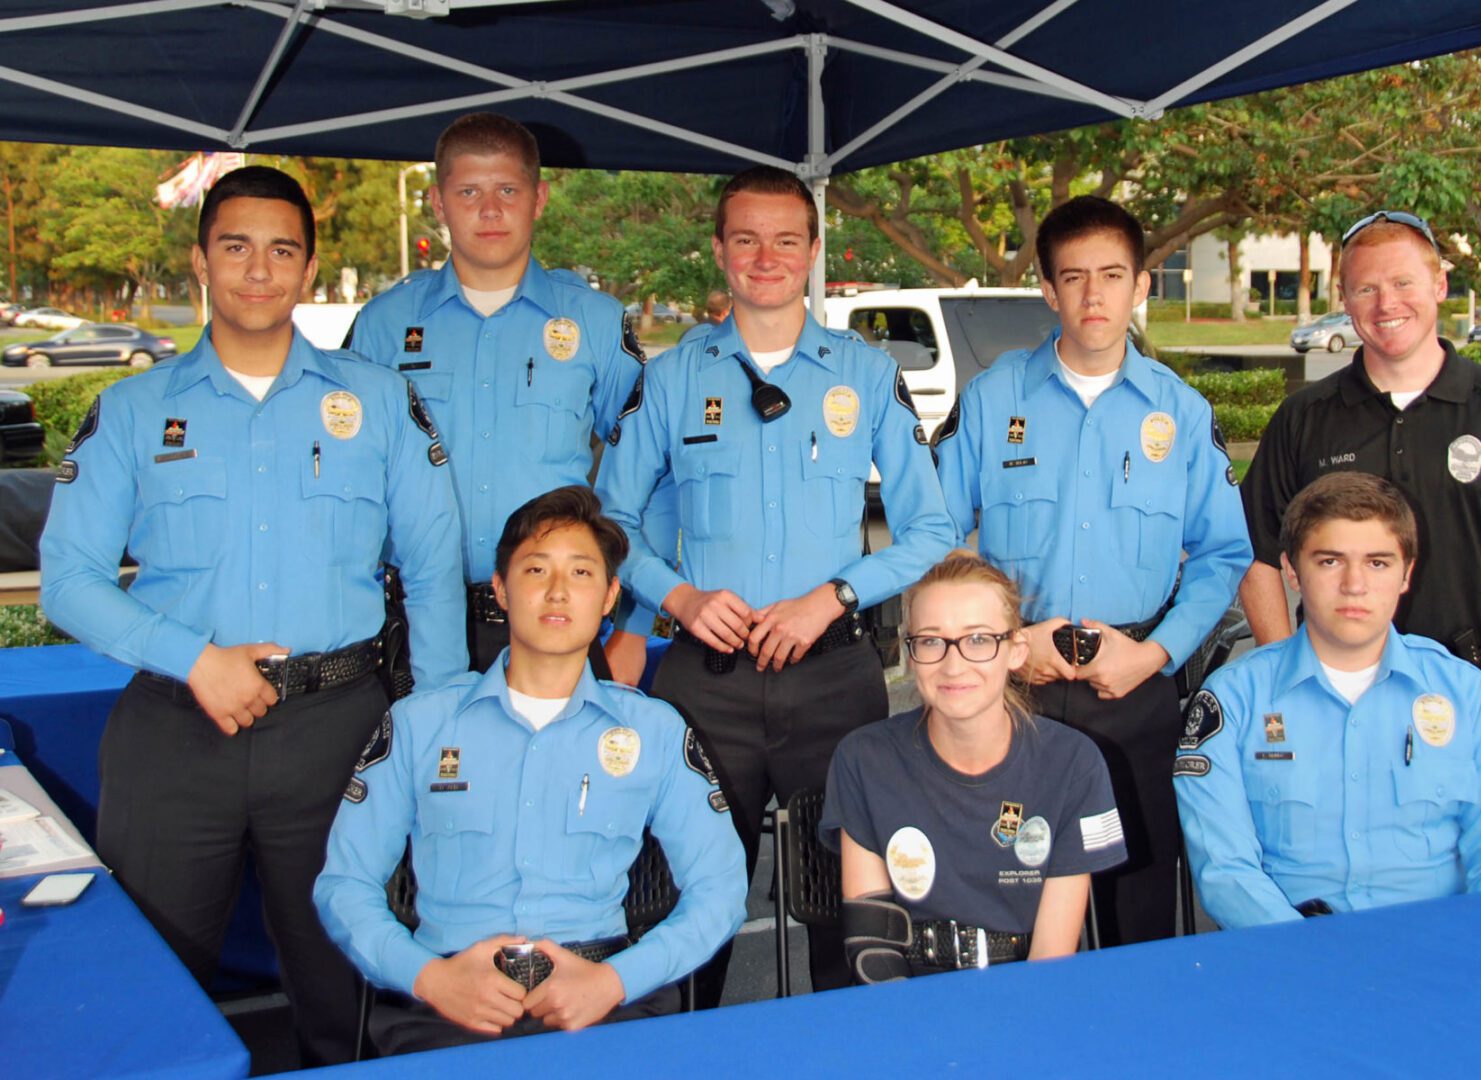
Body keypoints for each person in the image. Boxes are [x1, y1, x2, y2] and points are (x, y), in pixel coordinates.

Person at [39, 166, 465, 1066]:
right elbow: (68, 580)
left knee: (343, 978)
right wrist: (195, 659)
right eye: (236, 247)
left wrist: (443, 726)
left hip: (337, 728)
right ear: (201, 260)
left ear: (310, 270)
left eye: (282, 250)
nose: (258, 271)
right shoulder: (132, 410)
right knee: (154, 979)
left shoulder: (378, 401)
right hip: (174, 731)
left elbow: (430, 571)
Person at [596, 165, 956, 999]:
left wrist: (833, 595)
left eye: (786, 239)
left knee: (847, 907)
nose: (767, 257)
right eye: (747, 239)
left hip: (832, 674)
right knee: (693, 904)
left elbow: (931, 529)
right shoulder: (674, 375)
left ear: (814, 250)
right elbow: (612, 521)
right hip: (703, 680)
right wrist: (677, 598)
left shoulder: (864, 373)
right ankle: (686, 1054)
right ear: (719, 251)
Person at [315, 486, 746, 1055]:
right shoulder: (420, 725)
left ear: (610, 597)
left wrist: (615, 981)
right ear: (500, 589)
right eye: (535, 569)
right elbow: (344, 885)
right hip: (447, 1006)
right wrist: (429, 978)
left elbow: (721, 891)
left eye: (582, 573)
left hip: (604, 1002)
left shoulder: (656, 733)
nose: (558, 591)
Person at [932, 195, 1250, 947]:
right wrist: (1006, 639)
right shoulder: (991, 400)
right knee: (1012, 908)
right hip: (1014, 691)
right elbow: (934, 540)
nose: (1093, 295)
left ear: (1143, 284)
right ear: (1047, 290)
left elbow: (1223, 554)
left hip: (1134, 689)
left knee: (1137, 909)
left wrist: (1155, 653)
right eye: (1073, 277)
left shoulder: (1180, 411)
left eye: (1112, 275)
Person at [1239, 210, 1481, 712]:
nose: (1387, 304)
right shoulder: (1303, 418)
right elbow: (1256, 554)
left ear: (1440, 284)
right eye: (1366, 290)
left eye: (1404, 282)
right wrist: (1284, 670)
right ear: (1344, 298)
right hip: (1332, 698)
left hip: (1470, 691)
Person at [1176, 472, 1481, 929]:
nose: (1355, 585)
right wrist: (1314, 955)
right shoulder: (1233, 701)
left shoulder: (1466, 695)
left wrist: (1468, 949)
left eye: (1377, 563)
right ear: (1292, 571)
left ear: (1406, 574)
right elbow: (1226, 871)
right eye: (1330, 561)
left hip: (1443, 953)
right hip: (1290, 956)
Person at [345, 112, 648, 677]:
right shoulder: (383, 326)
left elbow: (648, 470)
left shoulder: (596, 323)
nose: (490, 210)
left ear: (539, 199)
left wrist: (631, 623)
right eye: (469, 191)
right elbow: (345, 480)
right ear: (438, 203)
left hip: (555, 619)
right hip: (414, 621)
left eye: (508, 190)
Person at [821, 551, 1126, 980]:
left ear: (1016, 650)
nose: (953, 663)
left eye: (978, 639)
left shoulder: (1073, 764)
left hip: (1024, 994)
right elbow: (872, 944)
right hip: (904, 998)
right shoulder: (864, 760)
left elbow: (1052, 958)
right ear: (910, 654)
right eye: (930, 640)